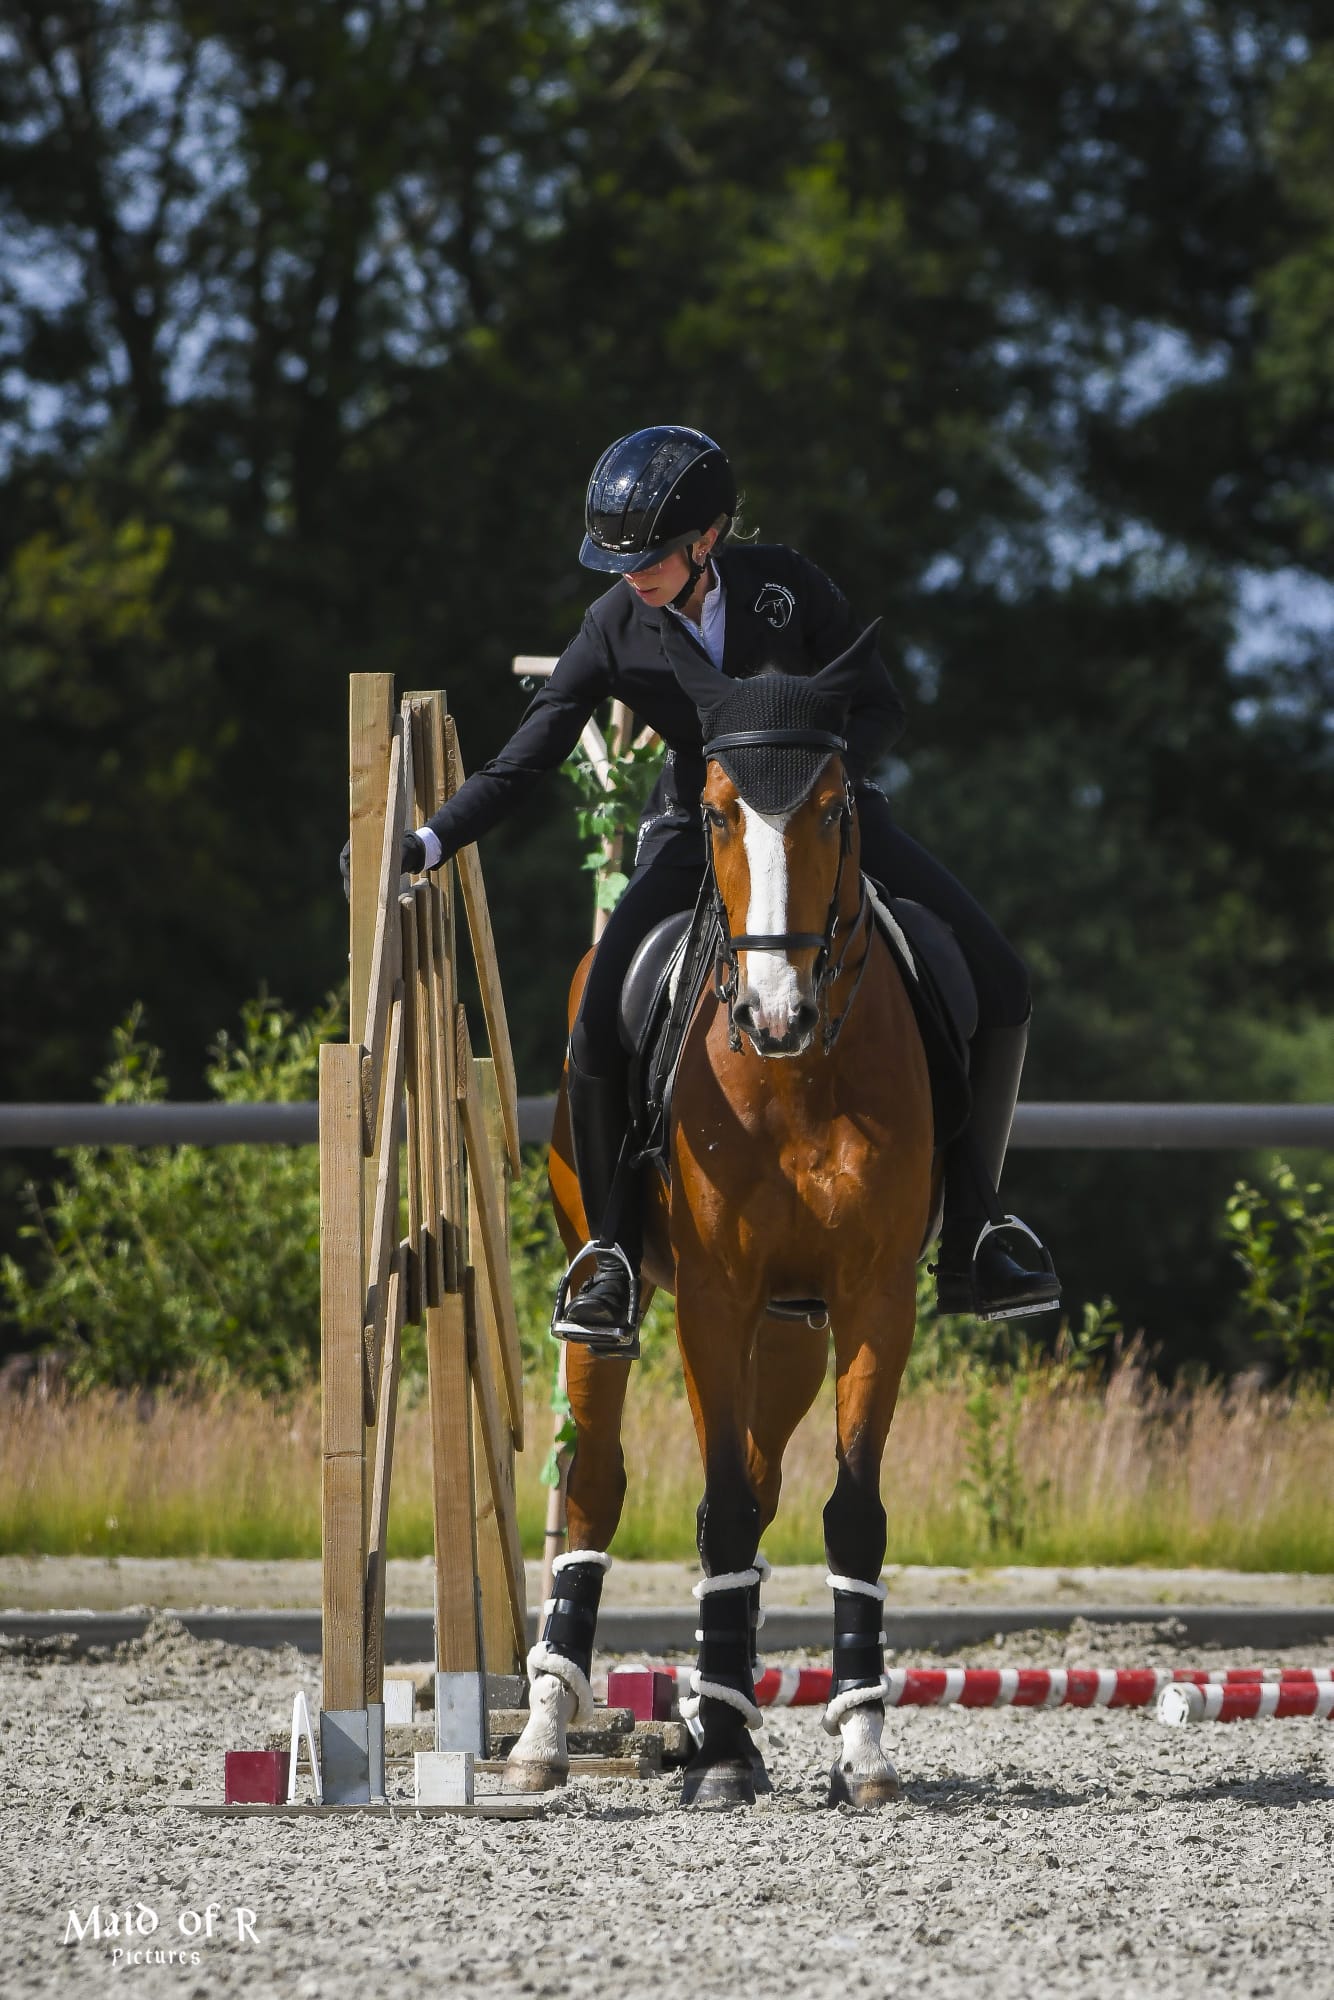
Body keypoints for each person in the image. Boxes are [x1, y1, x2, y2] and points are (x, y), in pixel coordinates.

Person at [397, 425, 1060, 1349]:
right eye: (617, 561)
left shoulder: (787, 586)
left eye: (651, 558)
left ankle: (978, 1227)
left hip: (829, 821)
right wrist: (425, 843)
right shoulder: (615, 625)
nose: (633, 577)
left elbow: (882, 705)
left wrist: (826, 783)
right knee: (597, 1011)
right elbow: (527, 758)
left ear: (706, 540)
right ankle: (614, 1255)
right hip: (698, 831)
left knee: (1000, 979)